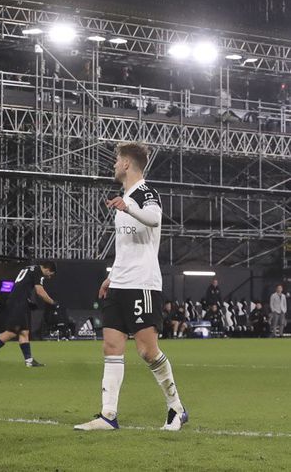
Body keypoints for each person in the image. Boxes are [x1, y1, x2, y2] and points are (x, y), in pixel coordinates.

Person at [74, 142, 188, 432]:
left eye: (116, 160)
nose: (114, 165)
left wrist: (130, 206)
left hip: (143, 284)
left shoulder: (145, 193)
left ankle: (176, 408)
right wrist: (112, 275)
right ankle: (108, 416)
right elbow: (126, 247)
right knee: (111, 346)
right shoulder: (125, 198)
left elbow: (154, 218)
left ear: (126, 164)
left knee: (147, 351)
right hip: (121, 282)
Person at [0, 262, 56, 368]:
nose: (49, 277)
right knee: (12, 332)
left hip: (19, 301)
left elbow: (21, 285)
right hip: (18, 303)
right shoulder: (37, 271)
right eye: (50, 274)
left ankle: (29, 361)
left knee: (24, 332)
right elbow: (40, 291)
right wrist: (52, 302)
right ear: (47, 269)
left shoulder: (29, 268)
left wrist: (27, 300)